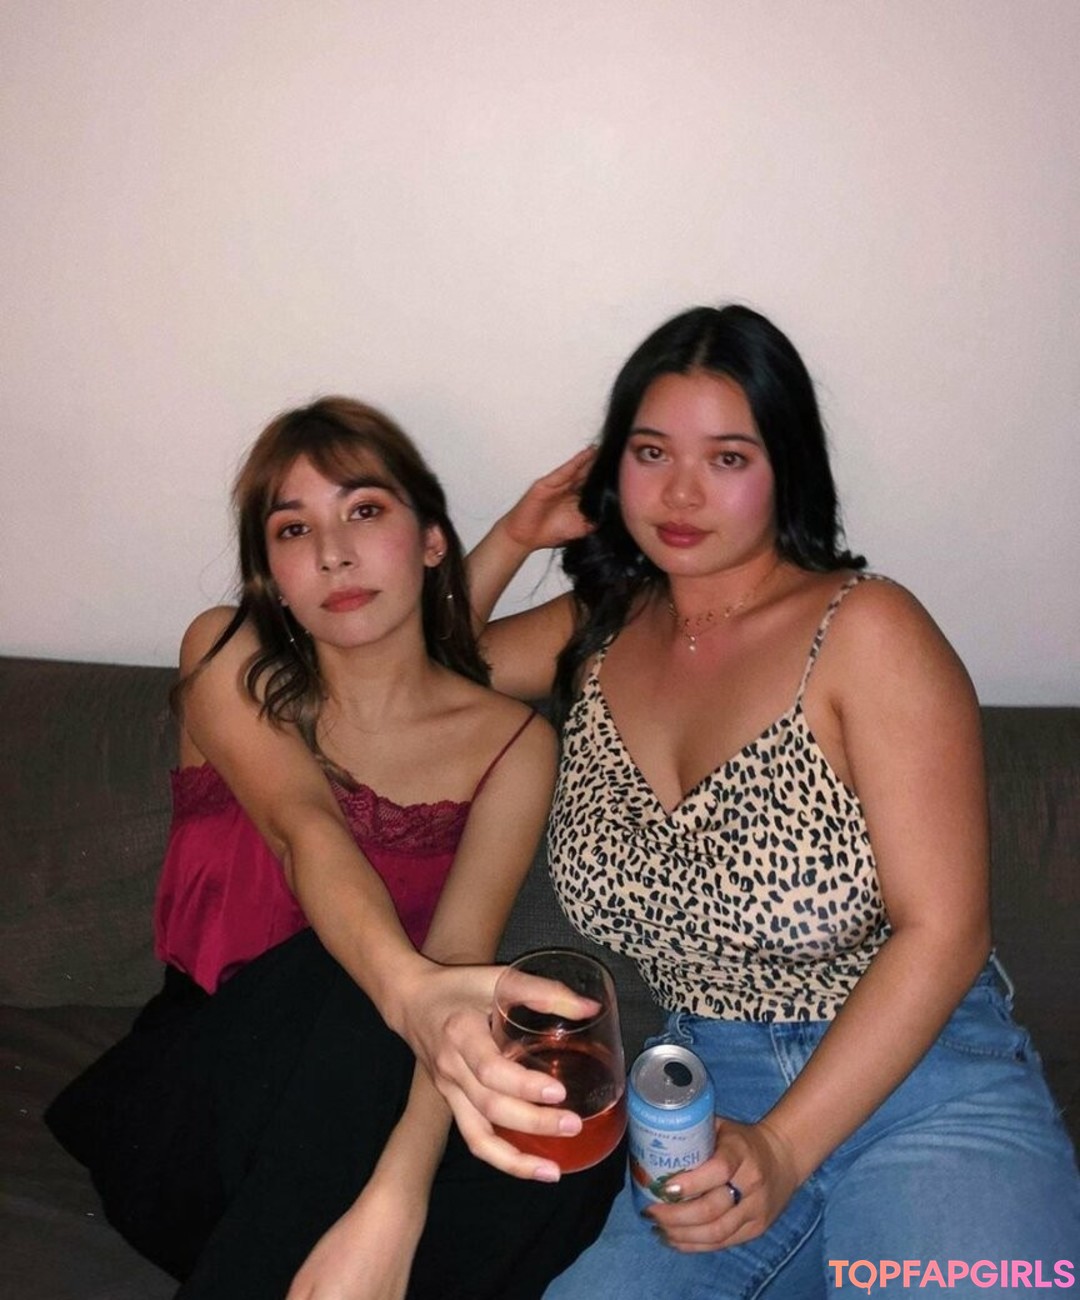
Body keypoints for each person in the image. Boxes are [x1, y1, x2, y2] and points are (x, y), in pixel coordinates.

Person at [463, 304, 1080, 1298]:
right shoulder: (598, 631)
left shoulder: (867, 628)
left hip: (925, 1081)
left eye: (728, 458)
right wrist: (512, 535)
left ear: (785, 467)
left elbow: (946, 930)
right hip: (704, 1101)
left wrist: (787, 1146)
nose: (680, 492)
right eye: (651, 452)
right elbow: (414, 680)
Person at [45, 397, 623, 1300]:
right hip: (191, 1104)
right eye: (293, 529)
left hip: (372, 1096)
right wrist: (411, 992)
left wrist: (397, 1199)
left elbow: (457, 967)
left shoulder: (514, 745)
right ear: (272, 576)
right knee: (344, 975)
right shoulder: (228, 656)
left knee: (565, 1147)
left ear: (431, 541)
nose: (333, 553)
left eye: (364, 511)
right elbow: (302, 828)